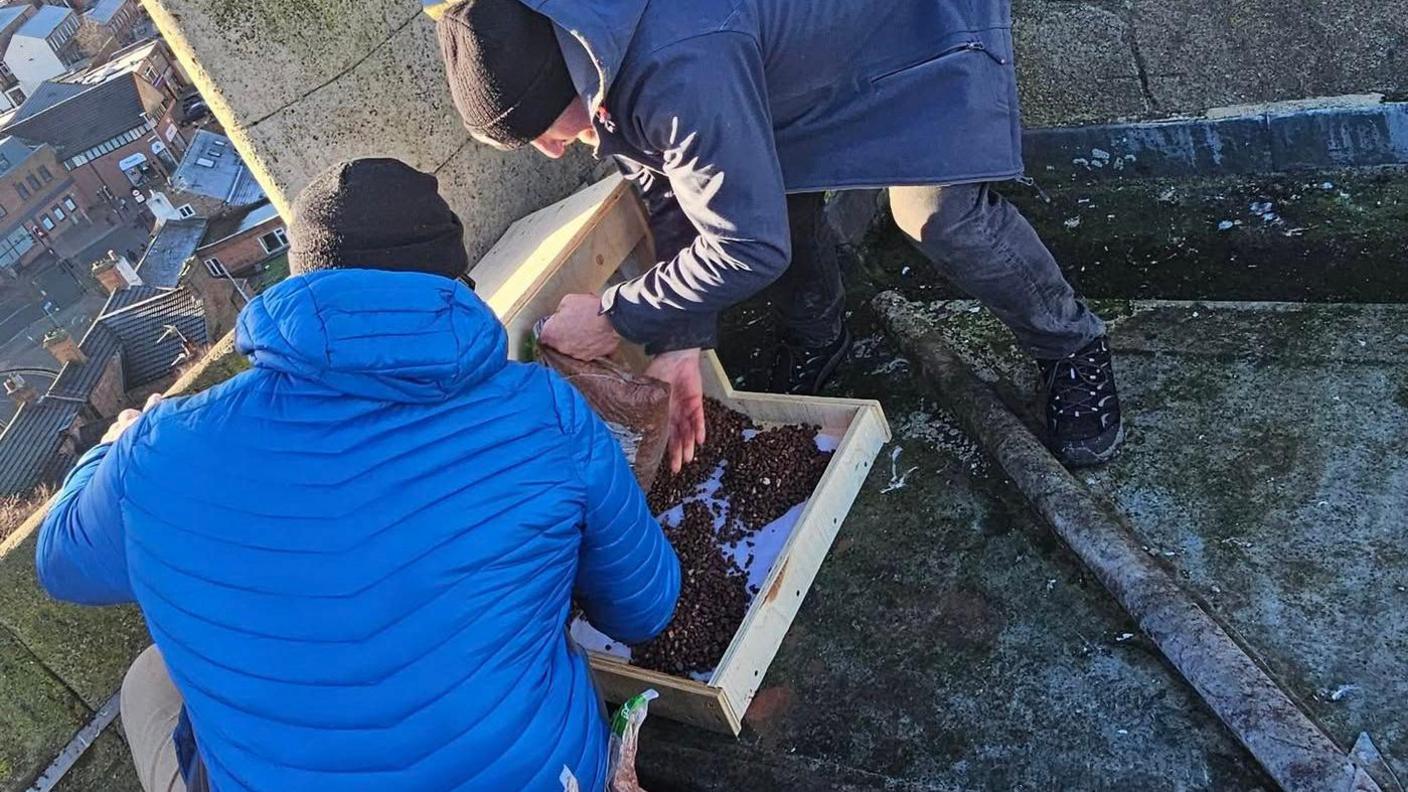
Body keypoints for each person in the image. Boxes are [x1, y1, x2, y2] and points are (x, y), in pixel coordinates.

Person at [35, 158, 681, 792]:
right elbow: (647, 607)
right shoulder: (545, 410)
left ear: (297, 293)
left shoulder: (160, 450)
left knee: (149, 681)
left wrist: (113, 446)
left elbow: (58, 561)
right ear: (458, 287)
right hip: (559, 777)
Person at [431, 0, 1124, 469]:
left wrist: (616, 314)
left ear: (571, 84)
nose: (553, 154)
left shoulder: (677, 67)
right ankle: (822, 333)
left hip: (911, 28)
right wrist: (679, 339)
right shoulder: (592, 44)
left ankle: (1072, 345)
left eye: (543, 133)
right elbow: (668, 184)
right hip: (789, 53)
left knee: (940, 216)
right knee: (765, 200)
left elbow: (745, 245)